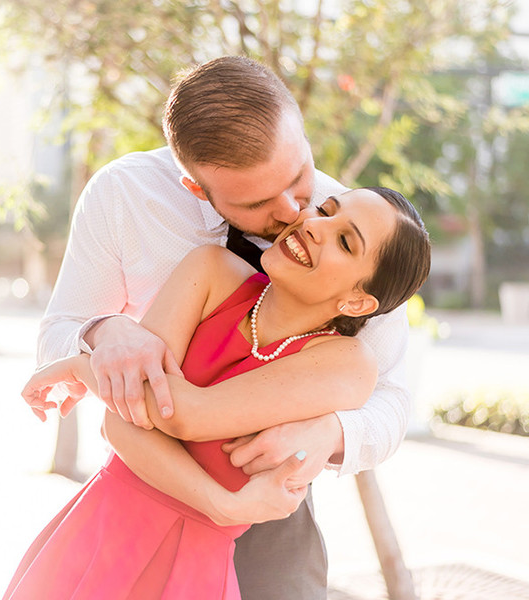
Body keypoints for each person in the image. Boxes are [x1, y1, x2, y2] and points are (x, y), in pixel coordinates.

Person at [35, 56, 414, 599]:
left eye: (298, 176)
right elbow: (60, 332)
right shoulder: (124, 197)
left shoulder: (350, 227)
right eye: (257, 203)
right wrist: (102, 333)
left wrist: (329, 433)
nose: (293, 213)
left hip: (270, 516)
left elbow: (393, 398)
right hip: (144, 486)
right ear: (194, 186)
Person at [6, 186, 432, 599]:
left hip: (193, 570)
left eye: (344, 241)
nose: (315, 226)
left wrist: (89, 369)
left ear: (358, 302)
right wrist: (223, 504)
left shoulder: (348, 364)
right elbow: (121, 424)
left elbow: (186, 413)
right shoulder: (209, 270)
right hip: (97, 533)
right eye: (325, 210)